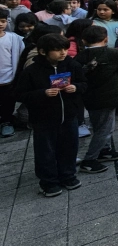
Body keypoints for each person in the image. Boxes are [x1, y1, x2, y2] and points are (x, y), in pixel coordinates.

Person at [16, 33, 87, 196]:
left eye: (65, 49)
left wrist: (76, 87)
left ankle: (68, 176)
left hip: (69, 116)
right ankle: (48, 182)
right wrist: (42, 93)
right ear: (43, 52)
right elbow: (20, 94)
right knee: (45, 151)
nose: (63, 53)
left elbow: (84, 83)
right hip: (43, 119)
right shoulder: (32, 71)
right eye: (57, 50)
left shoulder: (72, 65)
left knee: (69, 147)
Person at [74, 26, 118, 174]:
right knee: (104, 129)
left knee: (100, 125)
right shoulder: (113, 54)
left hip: (90, 97)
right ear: (106, 39)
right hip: (108, 96)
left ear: (83, 40)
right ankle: (90, 159)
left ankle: (104, 150)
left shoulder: (80, 57)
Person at [0, 8, 25, 137]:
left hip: (9, 77)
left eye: (3, 21)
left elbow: (20, 57)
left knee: (8, 102)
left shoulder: (14, 38)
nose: (0, 24)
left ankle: (7, 122)